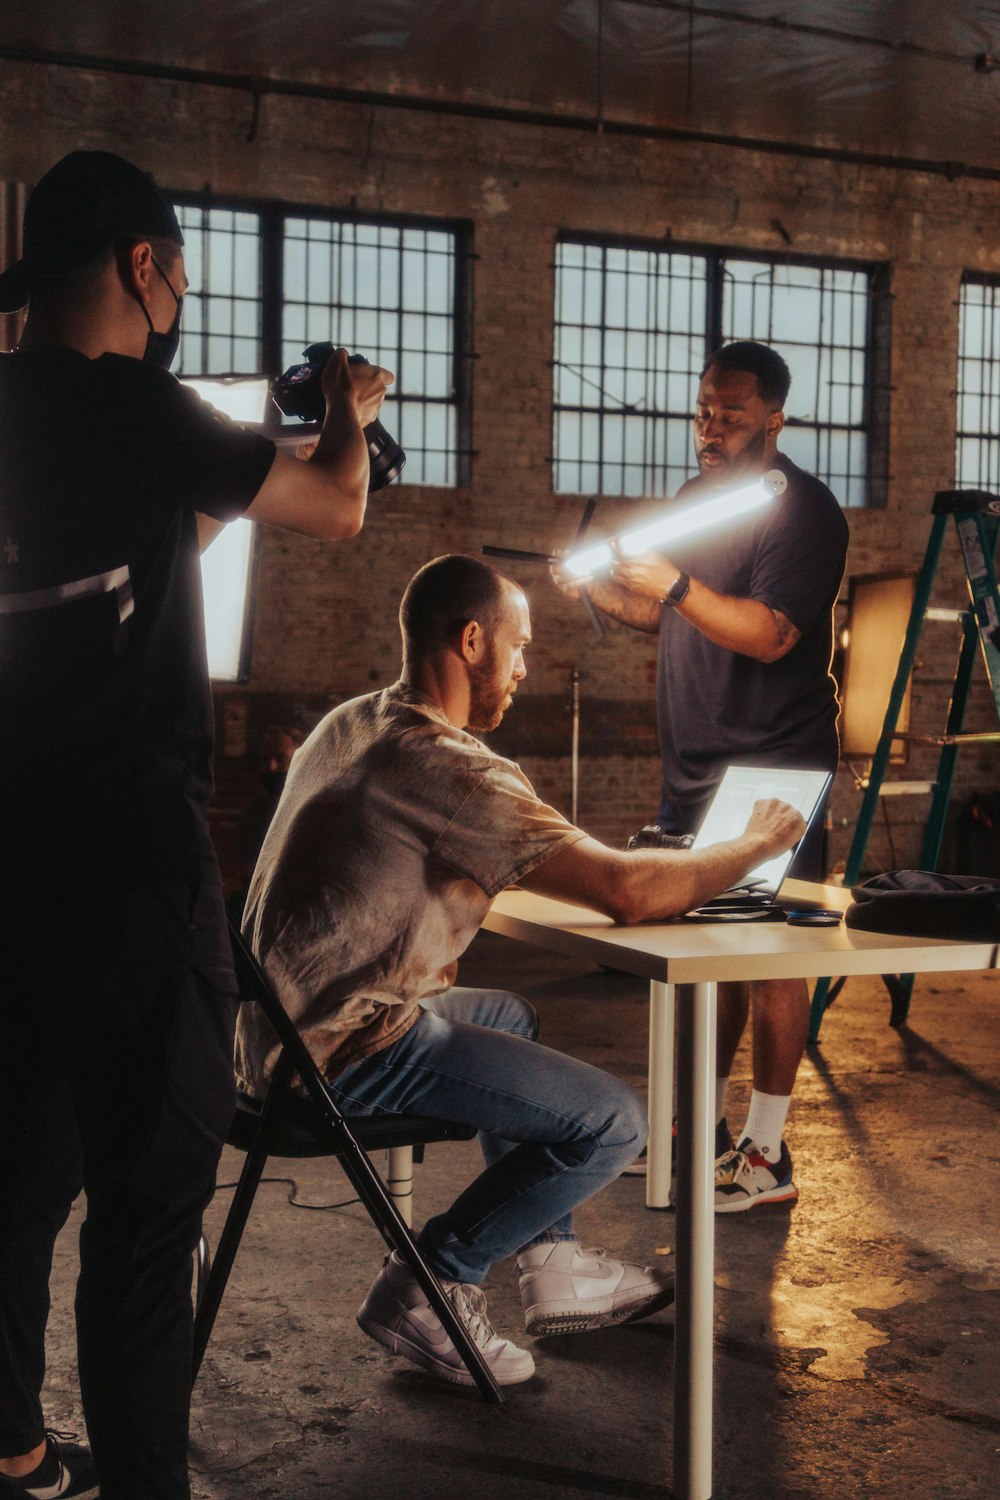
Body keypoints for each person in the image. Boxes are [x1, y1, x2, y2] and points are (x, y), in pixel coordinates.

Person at [0, 150, 391, 1500]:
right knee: (150, 1206)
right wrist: (345, 409)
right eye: (177, 270)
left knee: (14, 1176)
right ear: (141, 266)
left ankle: (9, 1450)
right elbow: (337, 504)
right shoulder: (138, 403)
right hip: (130, 875)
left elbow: (127, 548)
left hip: (11, 864)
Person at [235, 553, 805, 1388]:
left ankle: (555, 1266)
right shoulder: (453, 767)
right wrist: (754, 844)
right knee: (614, 1122)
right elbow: (626, 890)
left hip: (263, 1036)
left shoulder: (352, 721)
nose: (526, 668)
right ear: (472, 641)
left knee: (507, 1014)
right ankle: (431, 1282)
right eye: (521, 646)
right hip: (341, 1052)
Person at [553, 340, 849, 1214]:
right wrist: (606, 592)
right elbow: (672, 614)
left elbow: (768, 633)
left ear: (774, 417)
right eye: (703, 410)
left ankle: (765, 1154)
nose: (711, 428)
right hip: (696, 767)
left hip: (775, 762)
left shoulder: (801, 511)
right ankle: (698, 1133)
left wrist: (676, 584)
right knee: (714, 950)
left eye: (731, 413)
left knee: (774, 955)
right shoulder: (693, 504)